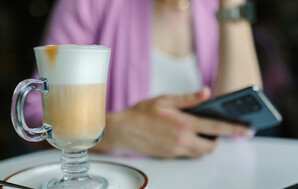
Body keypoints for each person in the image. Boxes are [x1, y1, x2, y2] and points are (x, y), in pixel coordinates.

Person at [25, 0, 262, 158]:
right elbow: (37, 116)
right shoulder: (90, 4)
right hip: (113, 187)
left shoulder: (214, 8)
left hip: (202, 184)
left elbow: (240, 121)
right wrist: (119, 130)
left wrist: (232, 8)